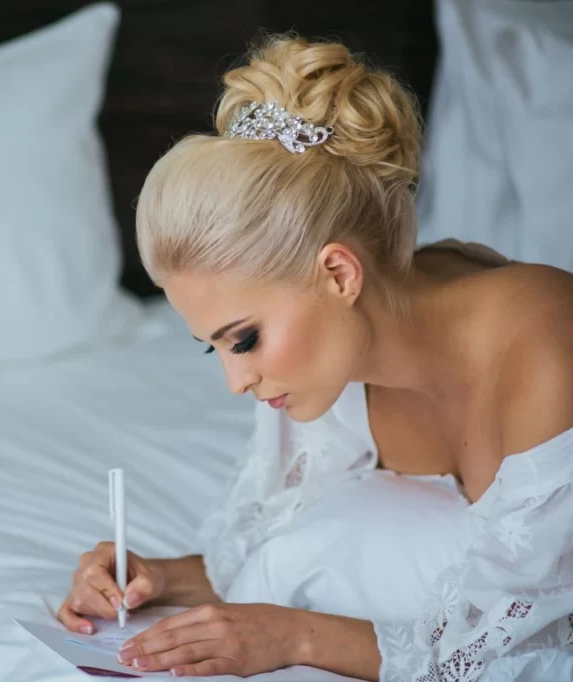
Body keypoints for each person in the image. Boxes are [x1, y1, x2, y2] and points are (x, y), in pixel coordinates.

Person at [56, 34, 573, 681]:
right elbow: (276, 545)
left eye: (243, 339)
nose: (236, 380)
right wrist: (154, 579)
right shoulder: (324, 362)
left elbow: (541, 641)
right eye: (212, 344)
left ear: (338, 273)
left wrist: (299, 637)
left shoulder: (547, 349)